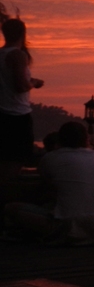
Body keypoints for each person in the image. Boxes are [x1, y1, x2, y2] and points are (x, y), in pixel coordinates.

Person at [3, 120, 94, 244]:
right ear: (87, 139)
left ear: (60, 139)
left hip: (69, 227)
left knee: (11, 208)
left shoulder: (50, 158)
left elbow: (46, 184)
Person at [0, 17, 44, 181]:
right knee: (15, 160)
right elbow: (20, 86)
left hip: (3, 112)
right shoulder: (17, 55)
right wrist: (33, 82)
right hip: (16, 115)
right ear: (22, 34)